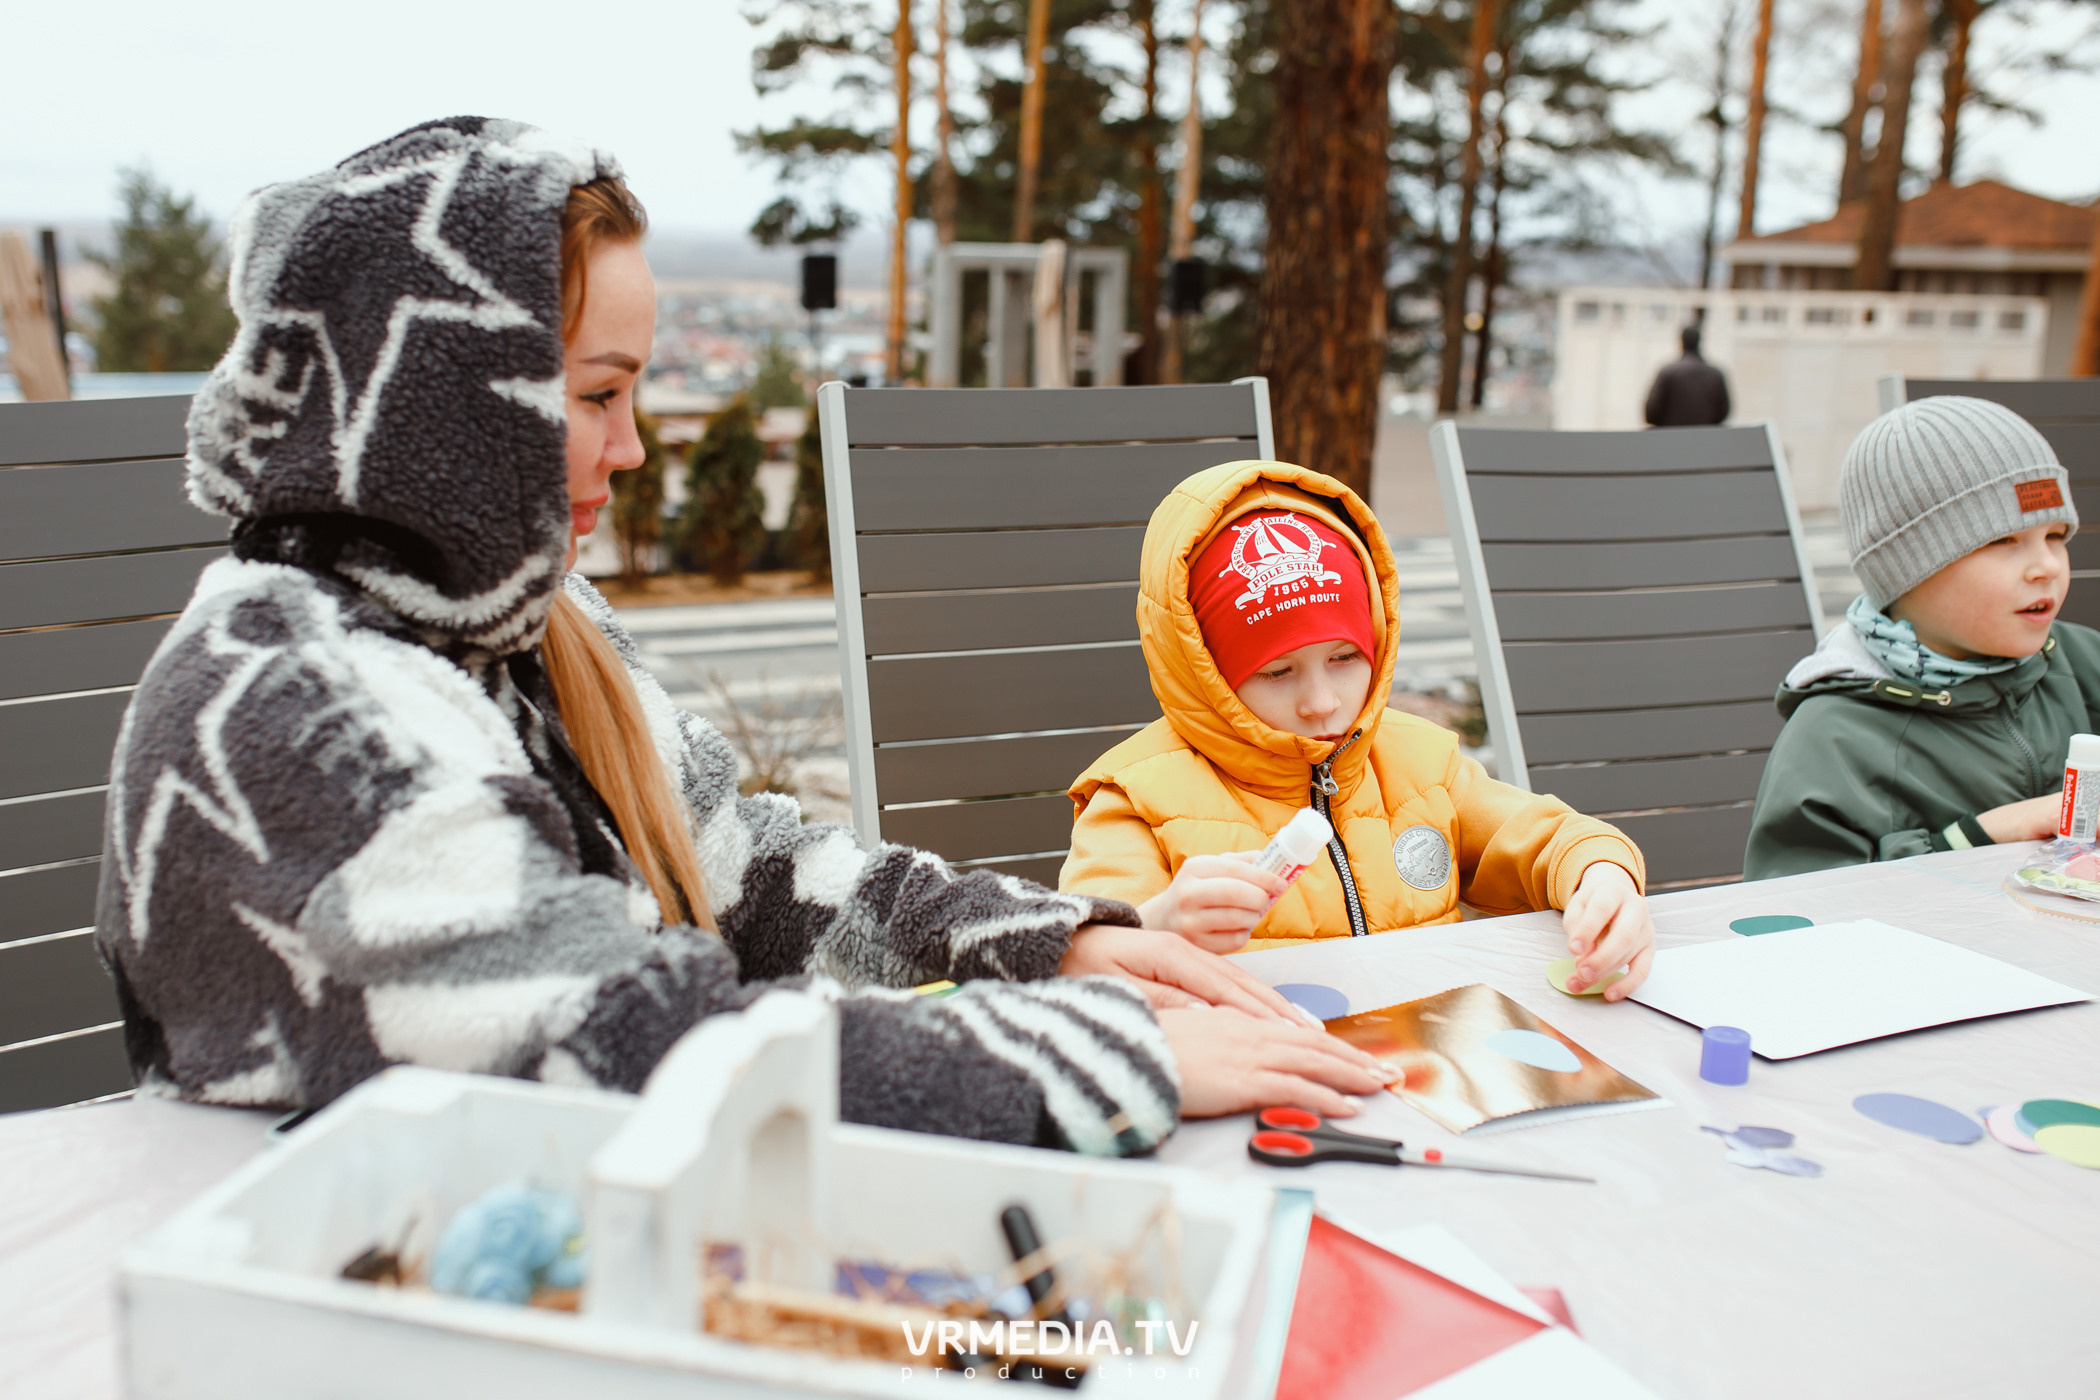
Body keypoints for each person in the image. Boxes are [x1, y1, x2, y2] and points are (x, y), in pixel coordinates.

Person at [95, 118, 1397, 1154]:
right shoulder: (283, 714)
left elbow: (752, 870)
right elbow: (629, 1048)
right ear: (445, 404)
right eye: (597, 395)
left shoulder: (520, 629)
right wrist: (1115, 1050)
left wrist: (1060, 944)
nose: (636, 447)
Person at [1059, 461, 1657, 999]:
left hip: (1431, 1063)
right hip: (1265, 1077)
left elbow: (1548, 837)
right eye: (1275, 671)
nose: (1322, 703)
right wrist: (1156, 926)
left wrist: (1599, 874)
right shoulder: (1135, 801)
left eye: (1345, 658)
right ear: (1204, 672)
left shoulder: (1419, 762)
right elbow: (1079, 959)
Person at [1745, 396, 2096, 878]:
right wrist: (1977, 839)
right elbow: (1797, 913)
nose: (2048, 566)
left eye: (2056, 535)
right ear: (1908, 570)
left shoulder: (2080, 662)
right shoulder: (1837, 735)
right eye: (2003, 541)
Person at [1644, 324, 1730, 427]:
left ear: (1681, 342)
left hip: (1671, 437)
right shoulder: (1715, 375)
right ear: (1699, 342)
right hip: (1705, 438)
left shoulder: (1668, 372)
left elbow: (1651, 413)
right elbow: (1723, 412)